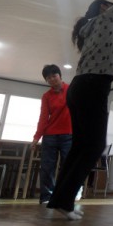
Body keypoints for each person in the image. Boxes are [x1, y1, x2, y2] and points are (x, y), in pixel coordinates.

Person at [47, 0, 113, 220]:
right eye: (109, 5)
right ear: (104, 7)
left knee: (80, 147)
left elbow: (97, 64)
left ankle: (60, 200)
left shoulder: (90, 28)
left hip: (80, 87)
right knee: (94, 146)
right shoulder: (105, 19)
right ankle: (65, 201)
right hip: (93, 87)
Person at [31, 64, 73, 204]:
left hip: (69, 135)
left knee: (68, 166)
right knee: (47, 167)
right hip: (50, 136)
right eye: (48, 78)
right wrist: (36, 137)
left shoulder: (72, 90)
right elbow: (43, 117)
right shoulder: (46, 96)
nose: (52, 80)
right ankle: (46, 197)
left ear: (60, 76)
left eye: (54, 76)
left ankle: (66, 195)